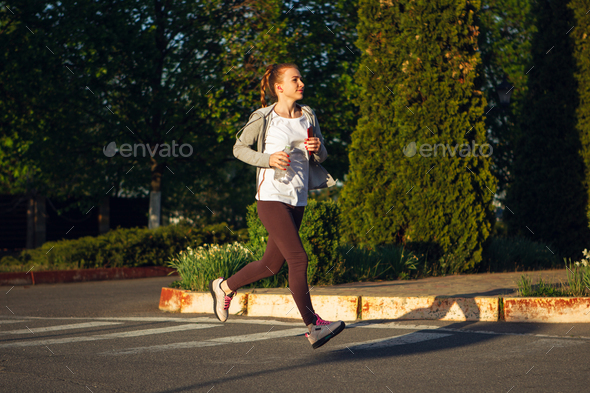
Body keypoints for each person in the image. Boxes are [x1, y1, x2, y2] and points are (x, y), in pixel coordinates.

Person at [208, 62, 345, 350]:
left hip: (298, 199)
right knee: (299, 259)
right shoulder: (264, 117)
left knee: (271, 265)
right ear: (279, 87)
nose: (301, 83)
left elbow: (322, 155)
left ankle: (224, 287)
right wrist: (268, 159)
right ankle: (313, 326)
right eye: (295, 79)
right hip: (271, 198)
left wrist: (318, 149)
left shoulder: (308, 115)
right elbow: (239, 149)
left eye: (301, 78)